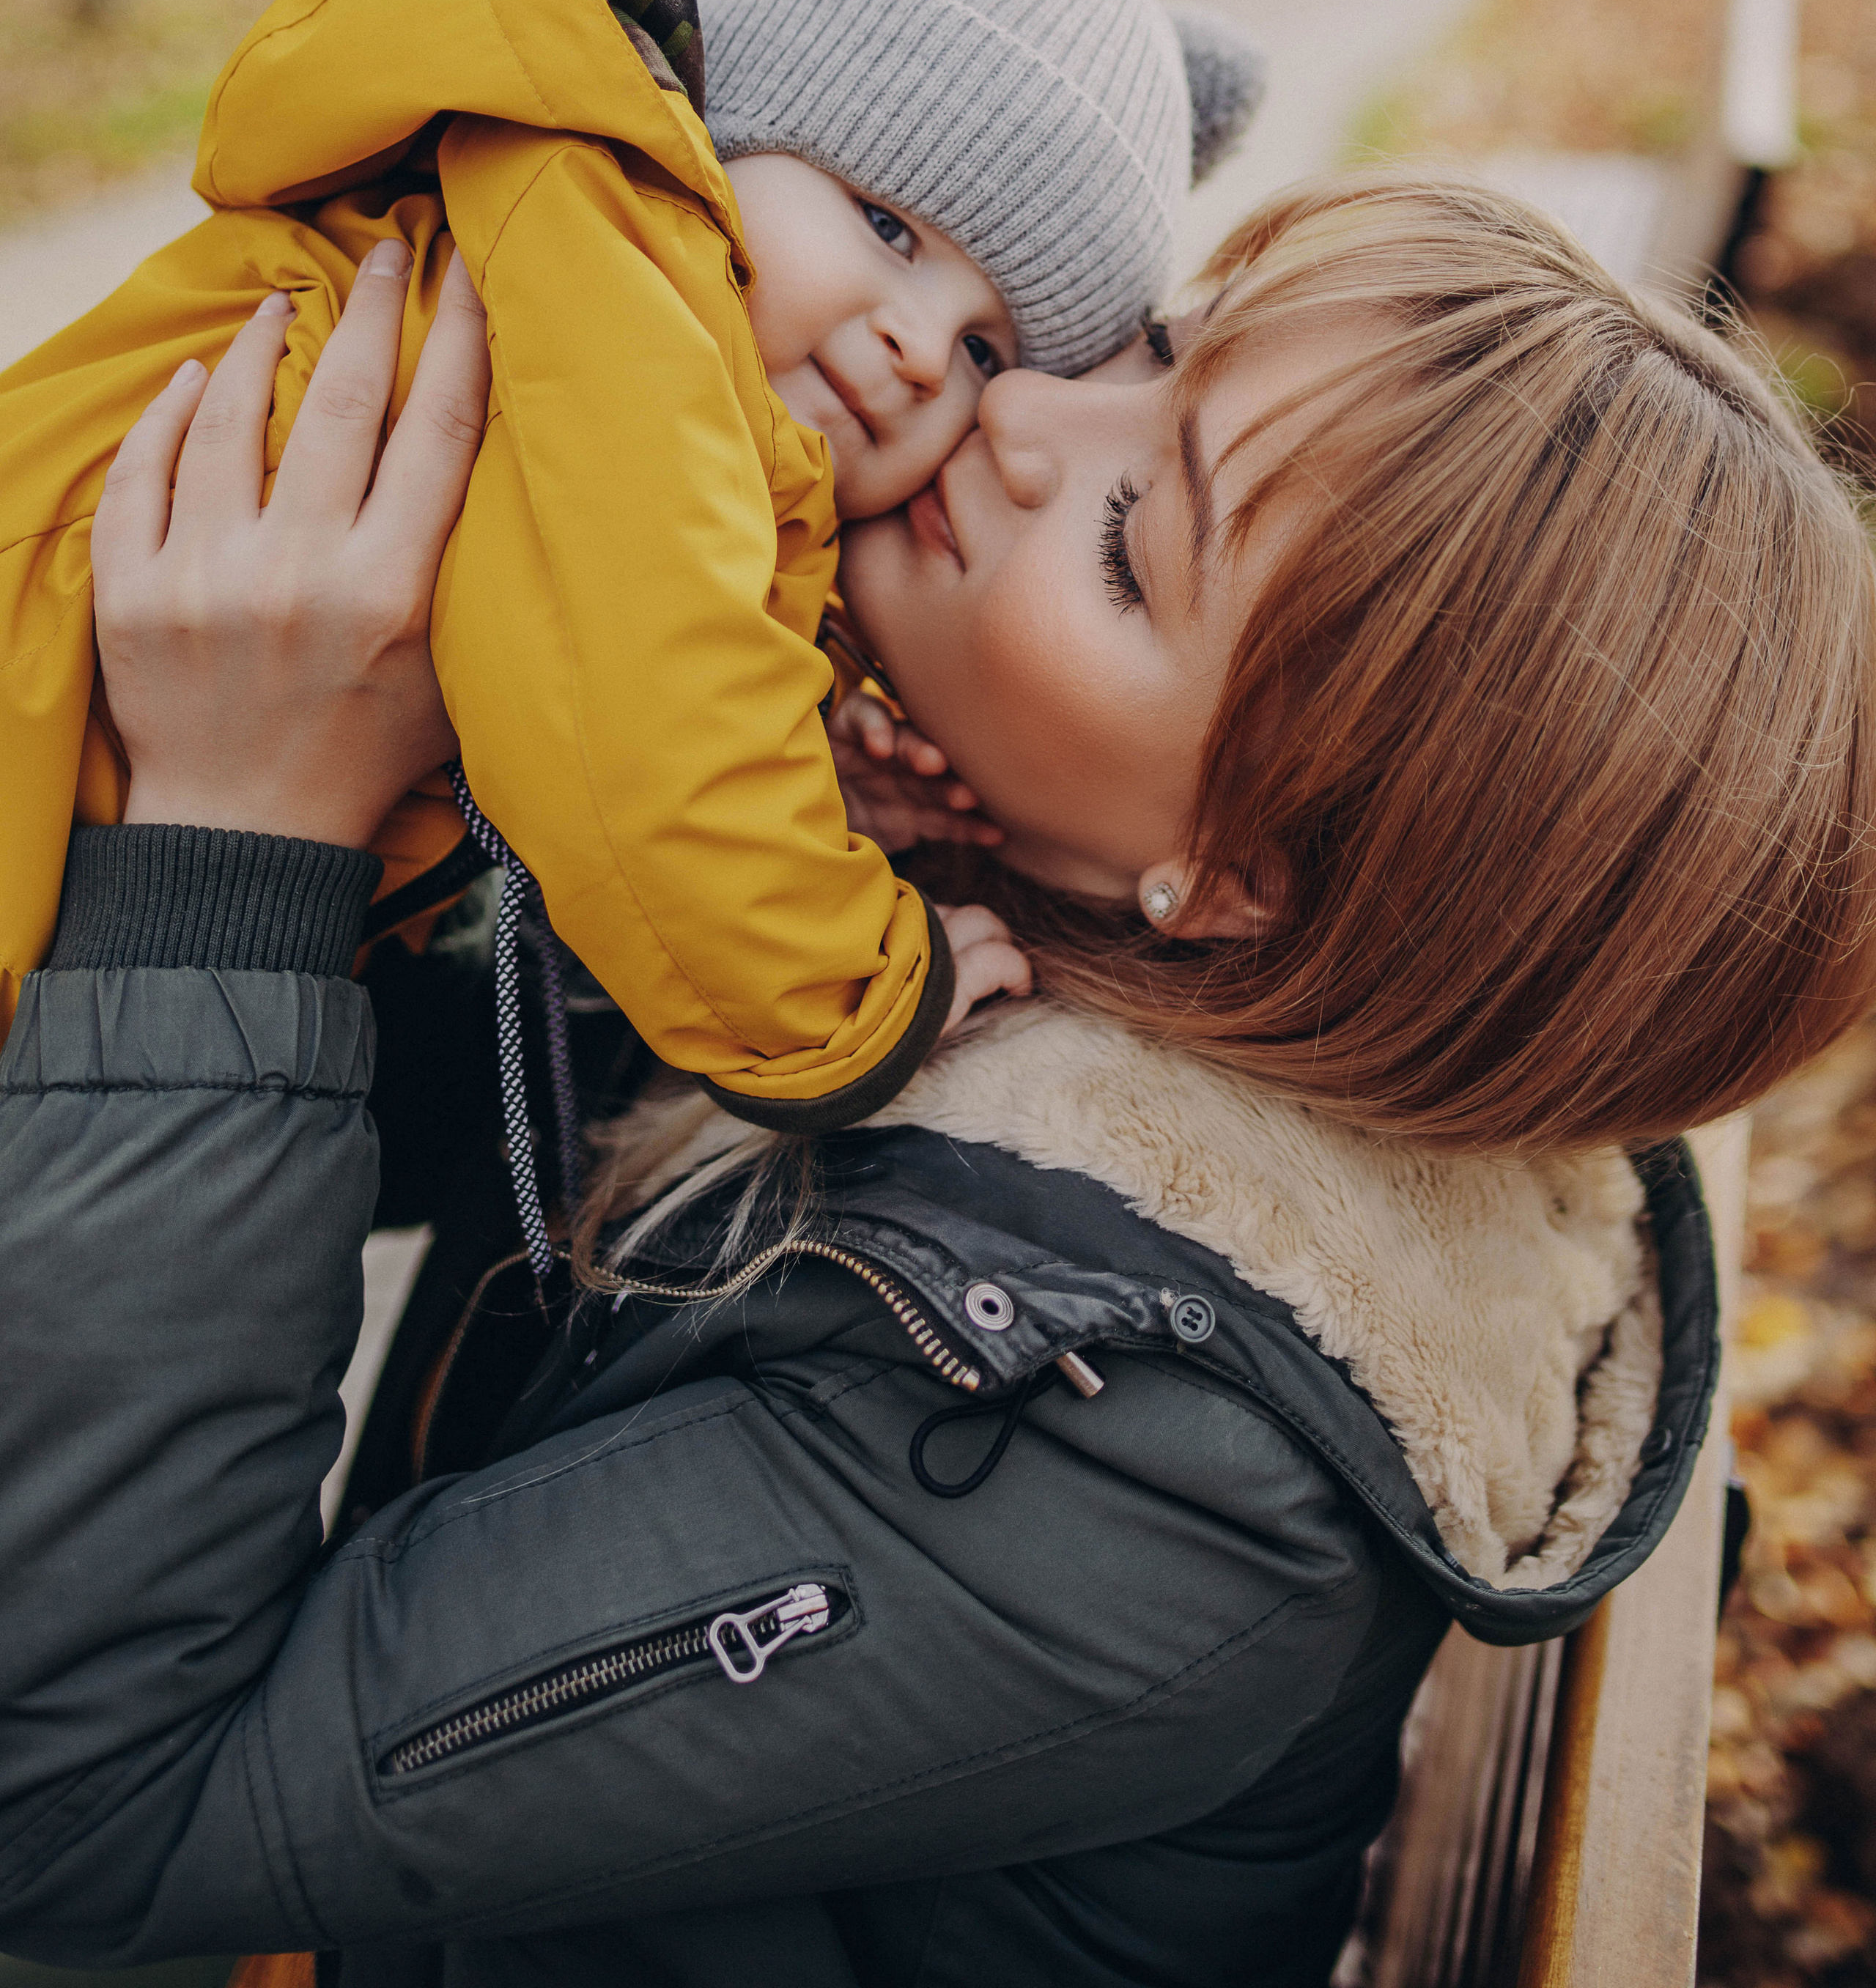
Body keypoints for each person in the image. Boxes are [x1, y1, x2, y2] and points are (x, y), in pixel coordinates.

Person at [3, 172, 1872, 1988]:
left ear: (1233, 886)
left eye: (1136, 545)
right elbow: (449, 1094)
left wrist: (244, 826)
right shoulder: (998, 956)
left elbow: (85, 1806)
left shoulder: (1118, 1479)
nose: (1024, 409)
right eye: (1154, 344)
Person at [0, 0, 1264, 1169]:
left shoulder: (665, 372)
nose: (920, 345)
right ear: (719, 138)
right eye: (882, 224)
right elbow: (641, 720)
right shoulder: (620, 272)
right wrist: (850, 995)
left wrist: (807, 737)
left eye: (987, 345)